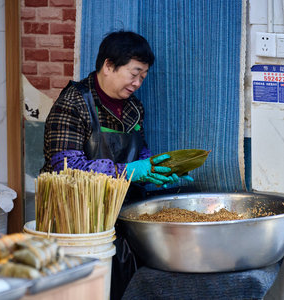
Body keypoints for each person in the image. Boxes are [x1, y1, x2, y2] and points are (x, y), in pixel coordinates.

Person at [41, 30, 193, 299]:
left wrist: (154, 170)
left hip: (121, 218)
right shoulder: (74, 103)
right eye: (134, 74)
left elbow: (140, 154)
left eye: (143, 77)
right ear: (108, 65)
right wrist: (127, 172)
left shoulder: (134, 108)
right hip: (81, 226)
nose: (137, 83)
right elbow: (64, 169)